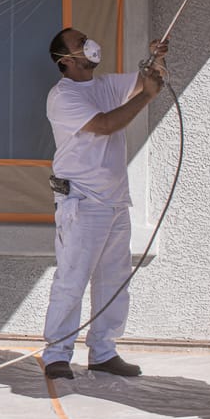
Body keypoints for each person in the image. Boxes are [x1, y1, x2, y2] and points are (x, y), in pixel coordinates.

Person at [41, 27, 168, 380]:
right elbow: (106, 125)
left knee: (113, 280)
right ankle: (56, 354)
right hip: (82, 202)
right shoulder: (63, 96)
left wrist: (157, 59)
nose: (89, 44)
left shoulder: (105, 86)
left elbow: (148, 81)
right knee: (72, 278)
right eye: (80, 42)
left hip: (113, 202)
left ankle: (104, 351)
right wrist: (146, 98)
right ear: (66, 60)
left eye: (86, 38)